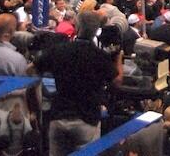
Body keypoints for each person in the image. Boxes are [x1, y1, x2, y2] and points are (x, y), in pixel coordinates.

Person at [35, 11, 121, 156]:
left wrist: (37, 97)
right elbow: (117, 81)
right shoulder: (99, 56)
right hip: (87, 120)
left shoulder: (59, 50)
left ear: (77, 27)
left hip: (59, 117)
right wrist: (119, 58)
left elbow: (31, 70)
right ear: (95, 31)